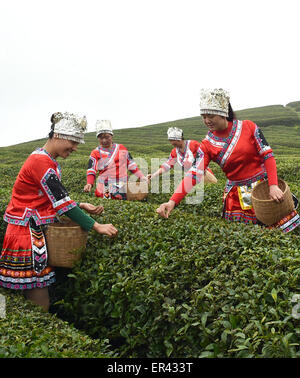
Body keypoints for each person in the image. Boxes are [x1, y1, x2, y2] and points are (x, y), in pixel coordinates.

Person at [0, 112, 118, 311]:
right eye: (72, 142)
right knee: (38, 298)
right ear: (58, 136)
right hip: (26, 233)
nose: (74, 147)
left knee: (32, 294)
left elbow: (48, 198)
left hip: (29, 229)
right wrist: (96, 226)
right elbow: (62, 203)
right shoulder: (41, 162)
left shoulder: (46, 159)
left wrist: (80, 204)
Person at [156, 88, 300, 233]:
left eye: (210, 115)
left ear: (223, 113)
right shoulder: (206, 145)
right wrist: (172, 201)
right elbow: (194, 174)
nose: (206, 121)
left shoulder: (249, 127)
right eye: (203, 116)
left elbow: (267, 155)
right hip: (237, 197)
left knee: (278, 235)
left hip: (264, 188)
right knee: (247, 240)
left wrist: (273, 185)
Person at [83, 120, 147, 199]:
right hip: (105, 186)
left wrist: (141, 176)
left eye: (107, 137)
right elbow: (91, 170)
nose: (104, 140)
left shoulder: (121, 148)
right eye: (101, 138)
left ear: (111, 136)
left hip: (123, 185)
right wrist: (89, 183)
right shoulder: (95, 153)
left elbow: (131, 165)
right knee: (109, 202)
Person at [147, 127, 217, 184]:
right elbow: (166, 166)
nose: (171, 143)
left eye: (172, 140)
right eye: (170, 141)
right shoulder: (174, 152)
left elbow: (205, 156)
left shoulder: (193, 145)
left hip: (205, 175)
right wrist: (153, 175)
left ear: (179, 139)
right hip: (191, 178)